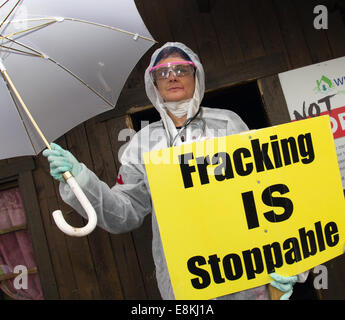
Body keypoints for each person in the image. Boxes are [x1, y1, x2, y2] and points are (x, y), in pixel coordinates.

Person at [43, 42, 308, 300]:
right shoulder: (143, 142)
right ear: (154, 84)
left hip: (245, 269)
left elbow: (264, 189)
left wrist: (287, 258)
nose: (172, 76)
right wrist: (79, 178)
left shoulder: (228, 123)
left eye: (181, 69)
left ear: (197, 76)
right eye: (162, 72)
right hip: (186, 280)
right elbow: (124, 213)